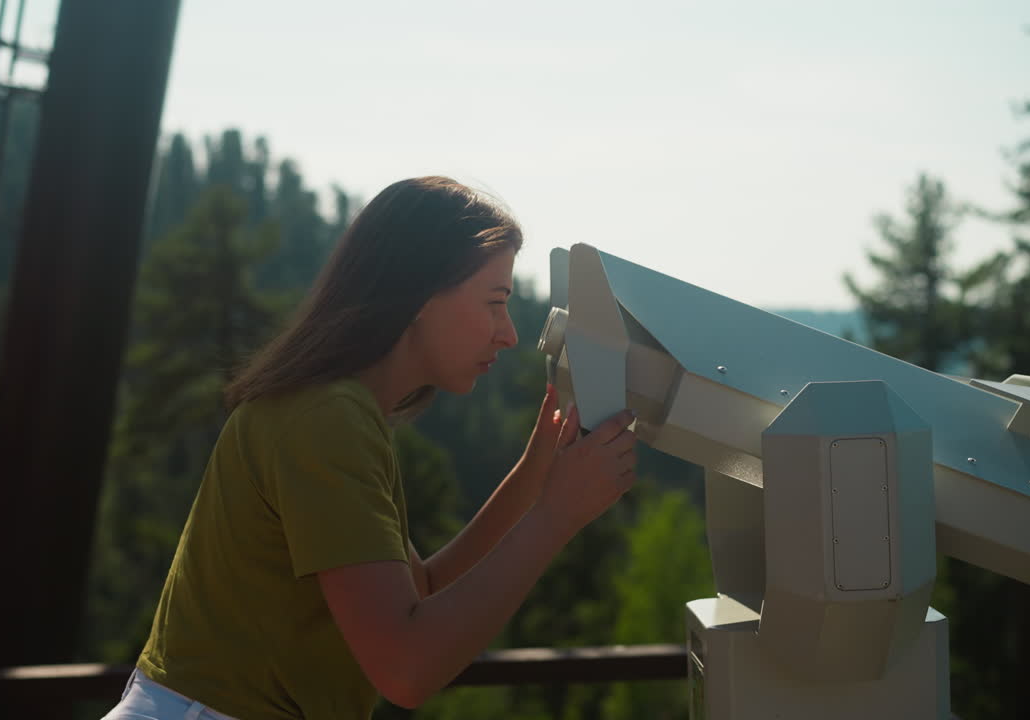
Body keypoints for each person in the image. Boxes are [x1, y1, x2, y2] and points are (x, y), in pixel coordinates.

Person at [102, 176, 637, 720]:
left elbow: (421, 590)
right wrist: (555, 517)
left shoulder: (334, 409)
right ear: (419, 294)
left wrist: (536, 471)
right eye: (495, 303)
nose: (509, 334)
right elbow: (406, 669)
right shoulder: (326, 419)